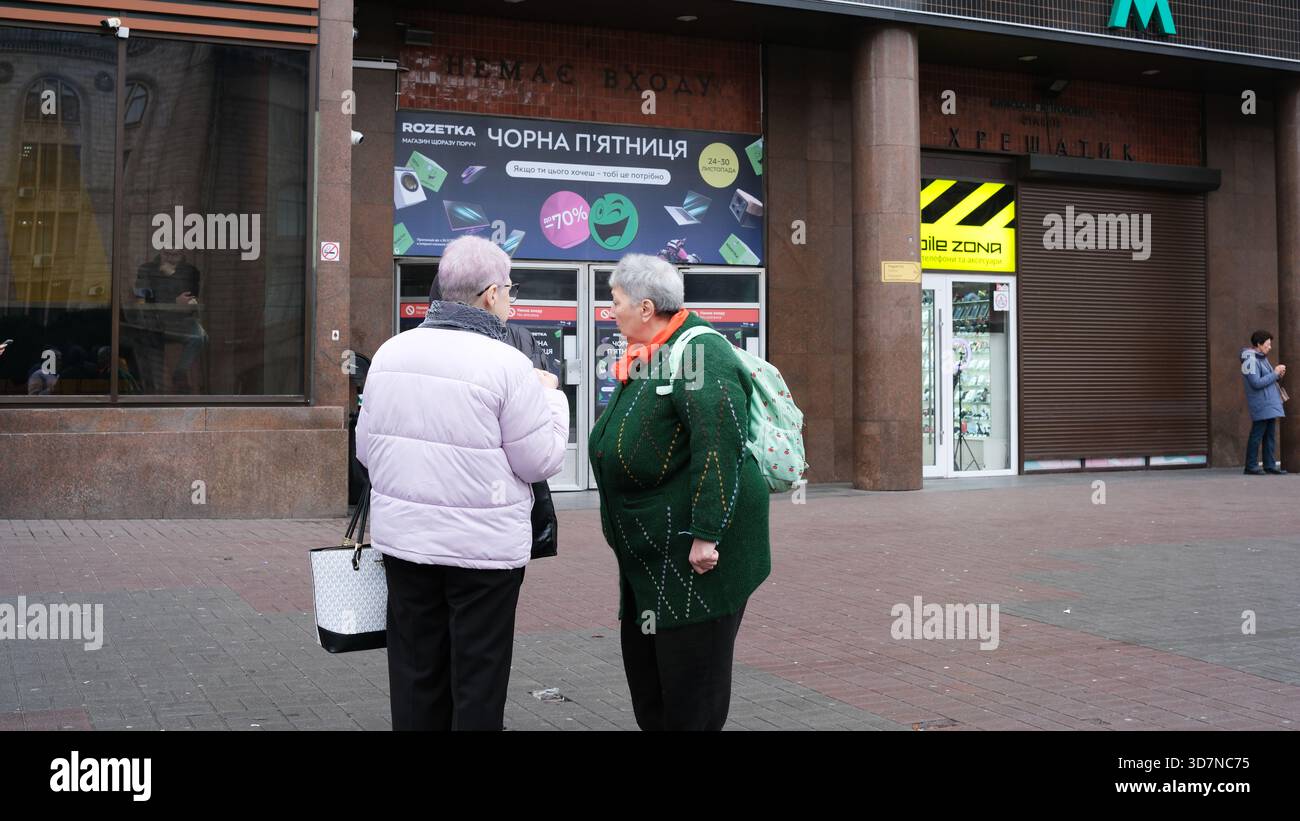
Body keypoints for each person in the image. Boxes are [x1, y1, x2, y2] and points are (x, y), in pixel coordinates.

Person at [355, 235, 568, 731]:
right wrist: (553, 398)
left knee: (414, 675)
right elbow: (540, 461)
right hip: (483, 558)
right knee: (478, 681)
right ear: (491, 294)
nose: (512, 298)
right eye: (511, 289)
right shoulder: (510, 366)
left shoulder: (390, 354)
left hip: (407, 548)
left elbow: (366, 453)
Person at [588, 253, 771, 731]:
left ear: (646, 308)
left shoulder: (700, 352)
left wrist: (707, 533)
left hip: (695, 561)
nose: (611, 311)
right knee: (651, 687)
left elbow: (719, 444)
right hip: (650, 559)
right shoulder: (651, 355)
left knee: (692, 698)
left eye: (616, 302)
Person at [130, 249, 206, 393]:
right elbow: (143, 299)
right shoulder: (147, 269)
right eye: (167, 254)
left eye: (175, 255)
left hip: (180, 321)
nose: (171, 258)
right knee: (151, 346)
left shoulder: (190, 271)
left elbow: (190, 301)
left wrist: (173, 277)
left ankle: (180, 373)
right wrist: (174, 301)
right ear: (161, 252)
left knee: (199, 336)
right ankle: (155, 390)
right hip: (155, 322)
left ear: (182, 254)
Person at [1240, 330, 1287, 475]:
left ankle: (1269, 465)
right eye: (1267, 344)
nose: (1270, 347)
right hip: (1261, 403)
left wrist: (1277, 374)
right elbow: (1256, 383)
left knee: (1270, 435)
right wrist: (1274, 373)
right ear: (1259, 344)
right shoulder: (1251, 359)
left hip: (1269, 402)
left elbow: (1267, 378)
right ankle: (1251, 465)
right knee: (1257, 434)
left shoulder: (1261, 358)